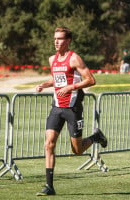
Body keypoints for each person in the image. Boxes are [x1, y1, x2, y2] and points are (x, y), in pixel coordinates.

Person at [35, 27, 107, 196]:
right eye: (55, 38)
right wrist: (44, 84)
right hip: (56, 107)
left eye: (60, 39)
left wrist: (71, 87)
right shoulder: (52, 59)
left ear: (68, 41)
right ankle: (49, 186)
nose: (56, 41)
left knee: (77, 150)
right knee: (49, 143)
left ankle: (96, 137)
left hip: (73, 108)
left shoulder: (75, 58)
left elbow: (91, 80)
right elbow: (56, 77)